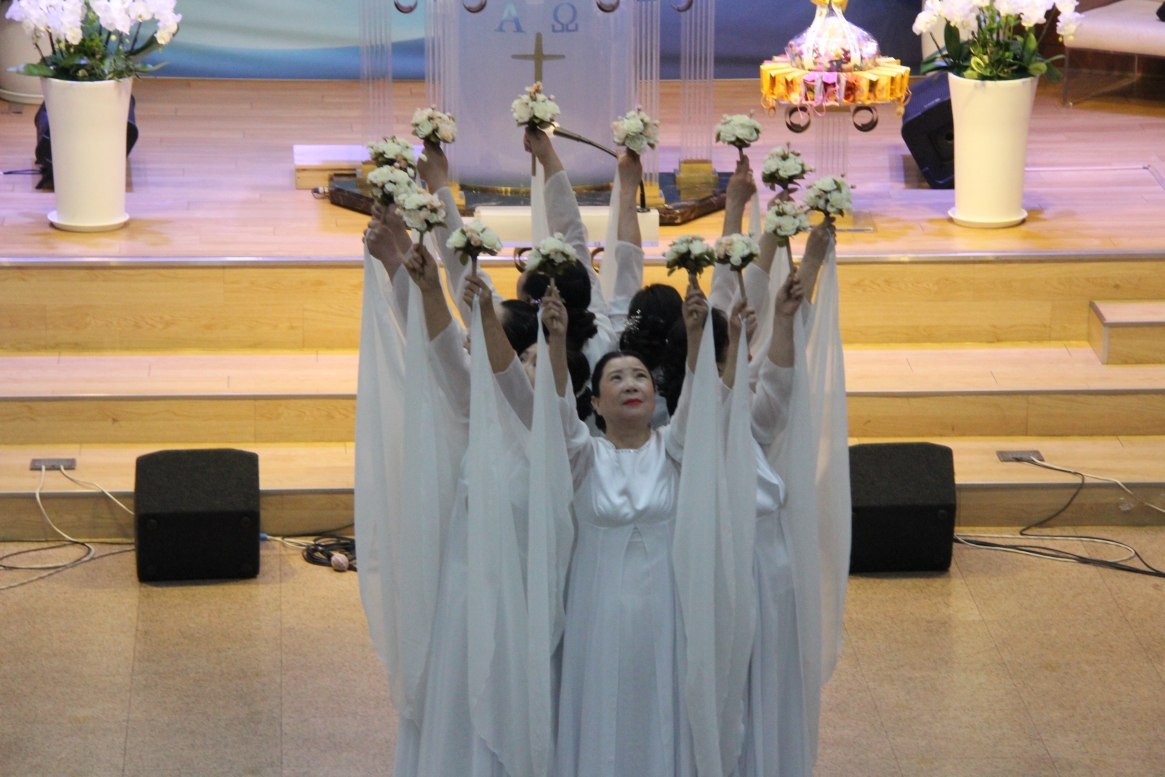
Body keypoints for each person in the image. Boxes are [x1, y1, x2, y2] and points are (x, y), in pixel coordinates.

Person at [543, 278, 713, 777]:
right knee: (602, 706)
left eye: (640, 376)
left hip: (667, 608)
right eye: (616, 378)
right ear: (596, 403)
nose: (632, 384)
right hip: (596, 613)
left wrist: (696, 336)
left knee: (665, 702)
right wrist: (557, 340)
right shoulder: (583, 456)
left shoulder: (674, 449)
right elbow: (555, 409)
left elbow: (699, 399)